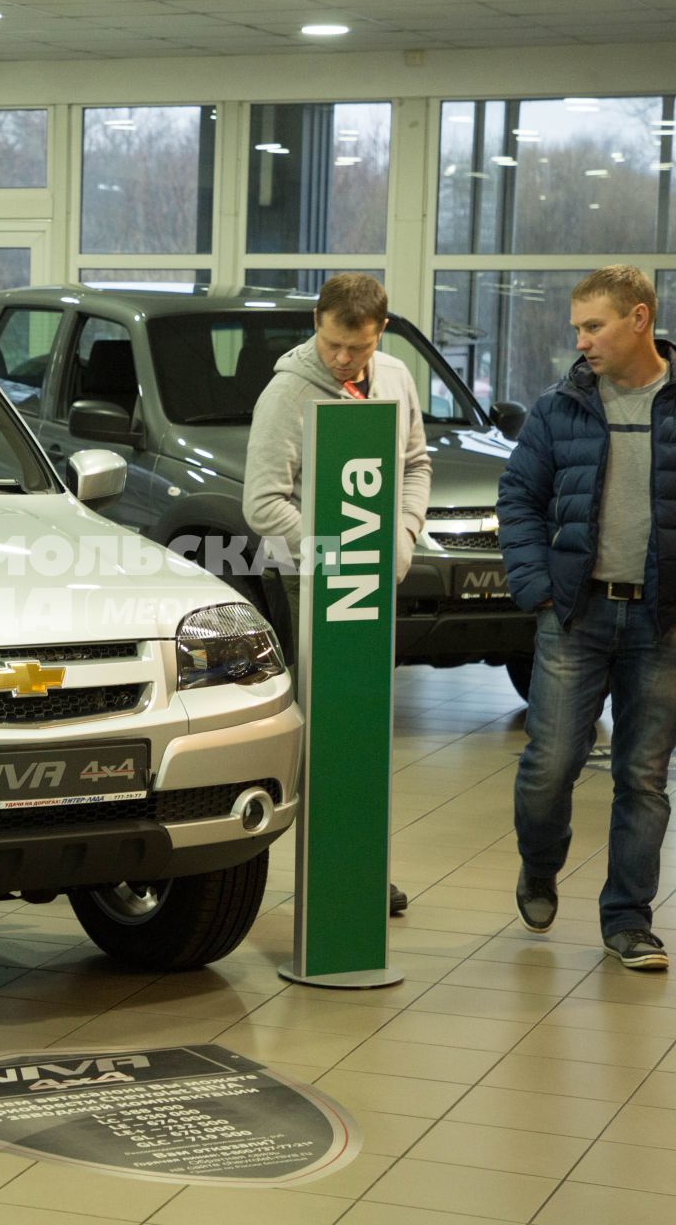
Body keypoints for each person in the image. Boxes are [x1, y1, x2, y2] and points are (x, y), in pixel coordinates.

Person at [497, 265, 676, 972]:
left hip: (661, 624)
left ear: (638, 319)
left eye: (594, 326)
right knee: (549, 768)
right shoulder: (559, 408)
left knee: (643, 777)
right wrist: (537, 588)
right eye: (577, 327)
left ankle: (628, 920)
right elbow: (518, 499)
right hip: (573, 618)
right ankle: (540, 865)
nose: (581, 340)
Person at [244, 272, 431, 918]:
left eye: (358, 348)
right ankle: (333, 873)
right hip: (315, 578)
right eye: (332, 345)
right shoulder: (288, 391)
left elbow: (413, 464)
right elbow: (264, 503)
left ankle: (361, 868)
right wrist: (340, 557)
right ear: (316, 325)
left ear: (379, 333)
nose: (344, 360)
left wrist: (402, 536)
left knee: (365, 722)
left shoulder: (397, 378)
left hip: (374, 573)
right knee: (327, 723)